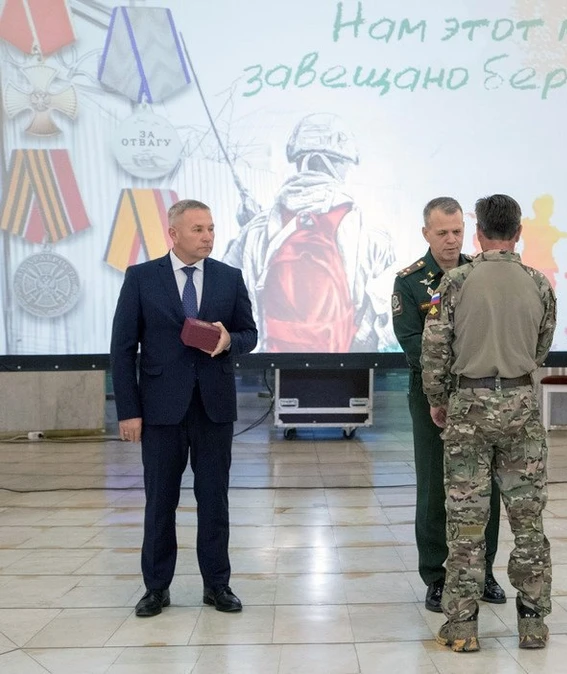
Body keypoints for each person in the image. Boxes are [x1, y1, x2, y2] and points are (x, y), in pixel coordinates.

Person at [110, 199, 258, 617]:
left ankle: (217, 585)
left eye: (211, 228)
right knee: (160, 501)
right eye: (198, 229)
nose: (208, 236)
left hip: (214, 409)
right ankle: (156, 588)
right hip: (159, 411)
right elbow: (122, 350)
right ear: (173, 234)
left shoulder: (230, 278)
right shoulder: (141, 278)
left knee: (215, 500)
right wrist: (128, 410)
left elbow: (249, 333)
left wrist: (230, 341)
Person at [421, 194, 556, 652]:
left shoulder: (454, 282)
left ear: (477, 233)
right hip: (520, 404)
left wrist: (439, 399)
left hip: (468, 407)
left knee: (465, 523)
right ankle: (533, 625)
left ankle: (462, 629)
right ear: (519, 232)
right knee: (528, 521)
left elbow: (435, 351)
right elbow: (541, 348)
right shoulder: (539, 283)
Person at [391, 197, 505, 614]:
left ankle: (485, 571)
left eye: (457, 231)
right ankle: (436, 577)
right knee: (436, 486)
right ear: (426, 234)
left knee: (485, 485)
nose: (451, 240)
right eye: (442, 233)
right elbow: (412, 344)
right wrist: (463, 362)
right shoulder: (410, 281)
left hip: (482, 397)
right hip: (432, 397)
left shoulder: (480, 273)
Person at [223, 113, 397, 352]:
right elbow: (387, 318)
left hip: (270, 369)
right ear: (339, 163)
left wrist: (246, 232)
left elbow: (226, 299)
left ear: (298, 160)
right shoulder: (371, 229)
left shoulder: (256, 230)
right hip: (350, 370)